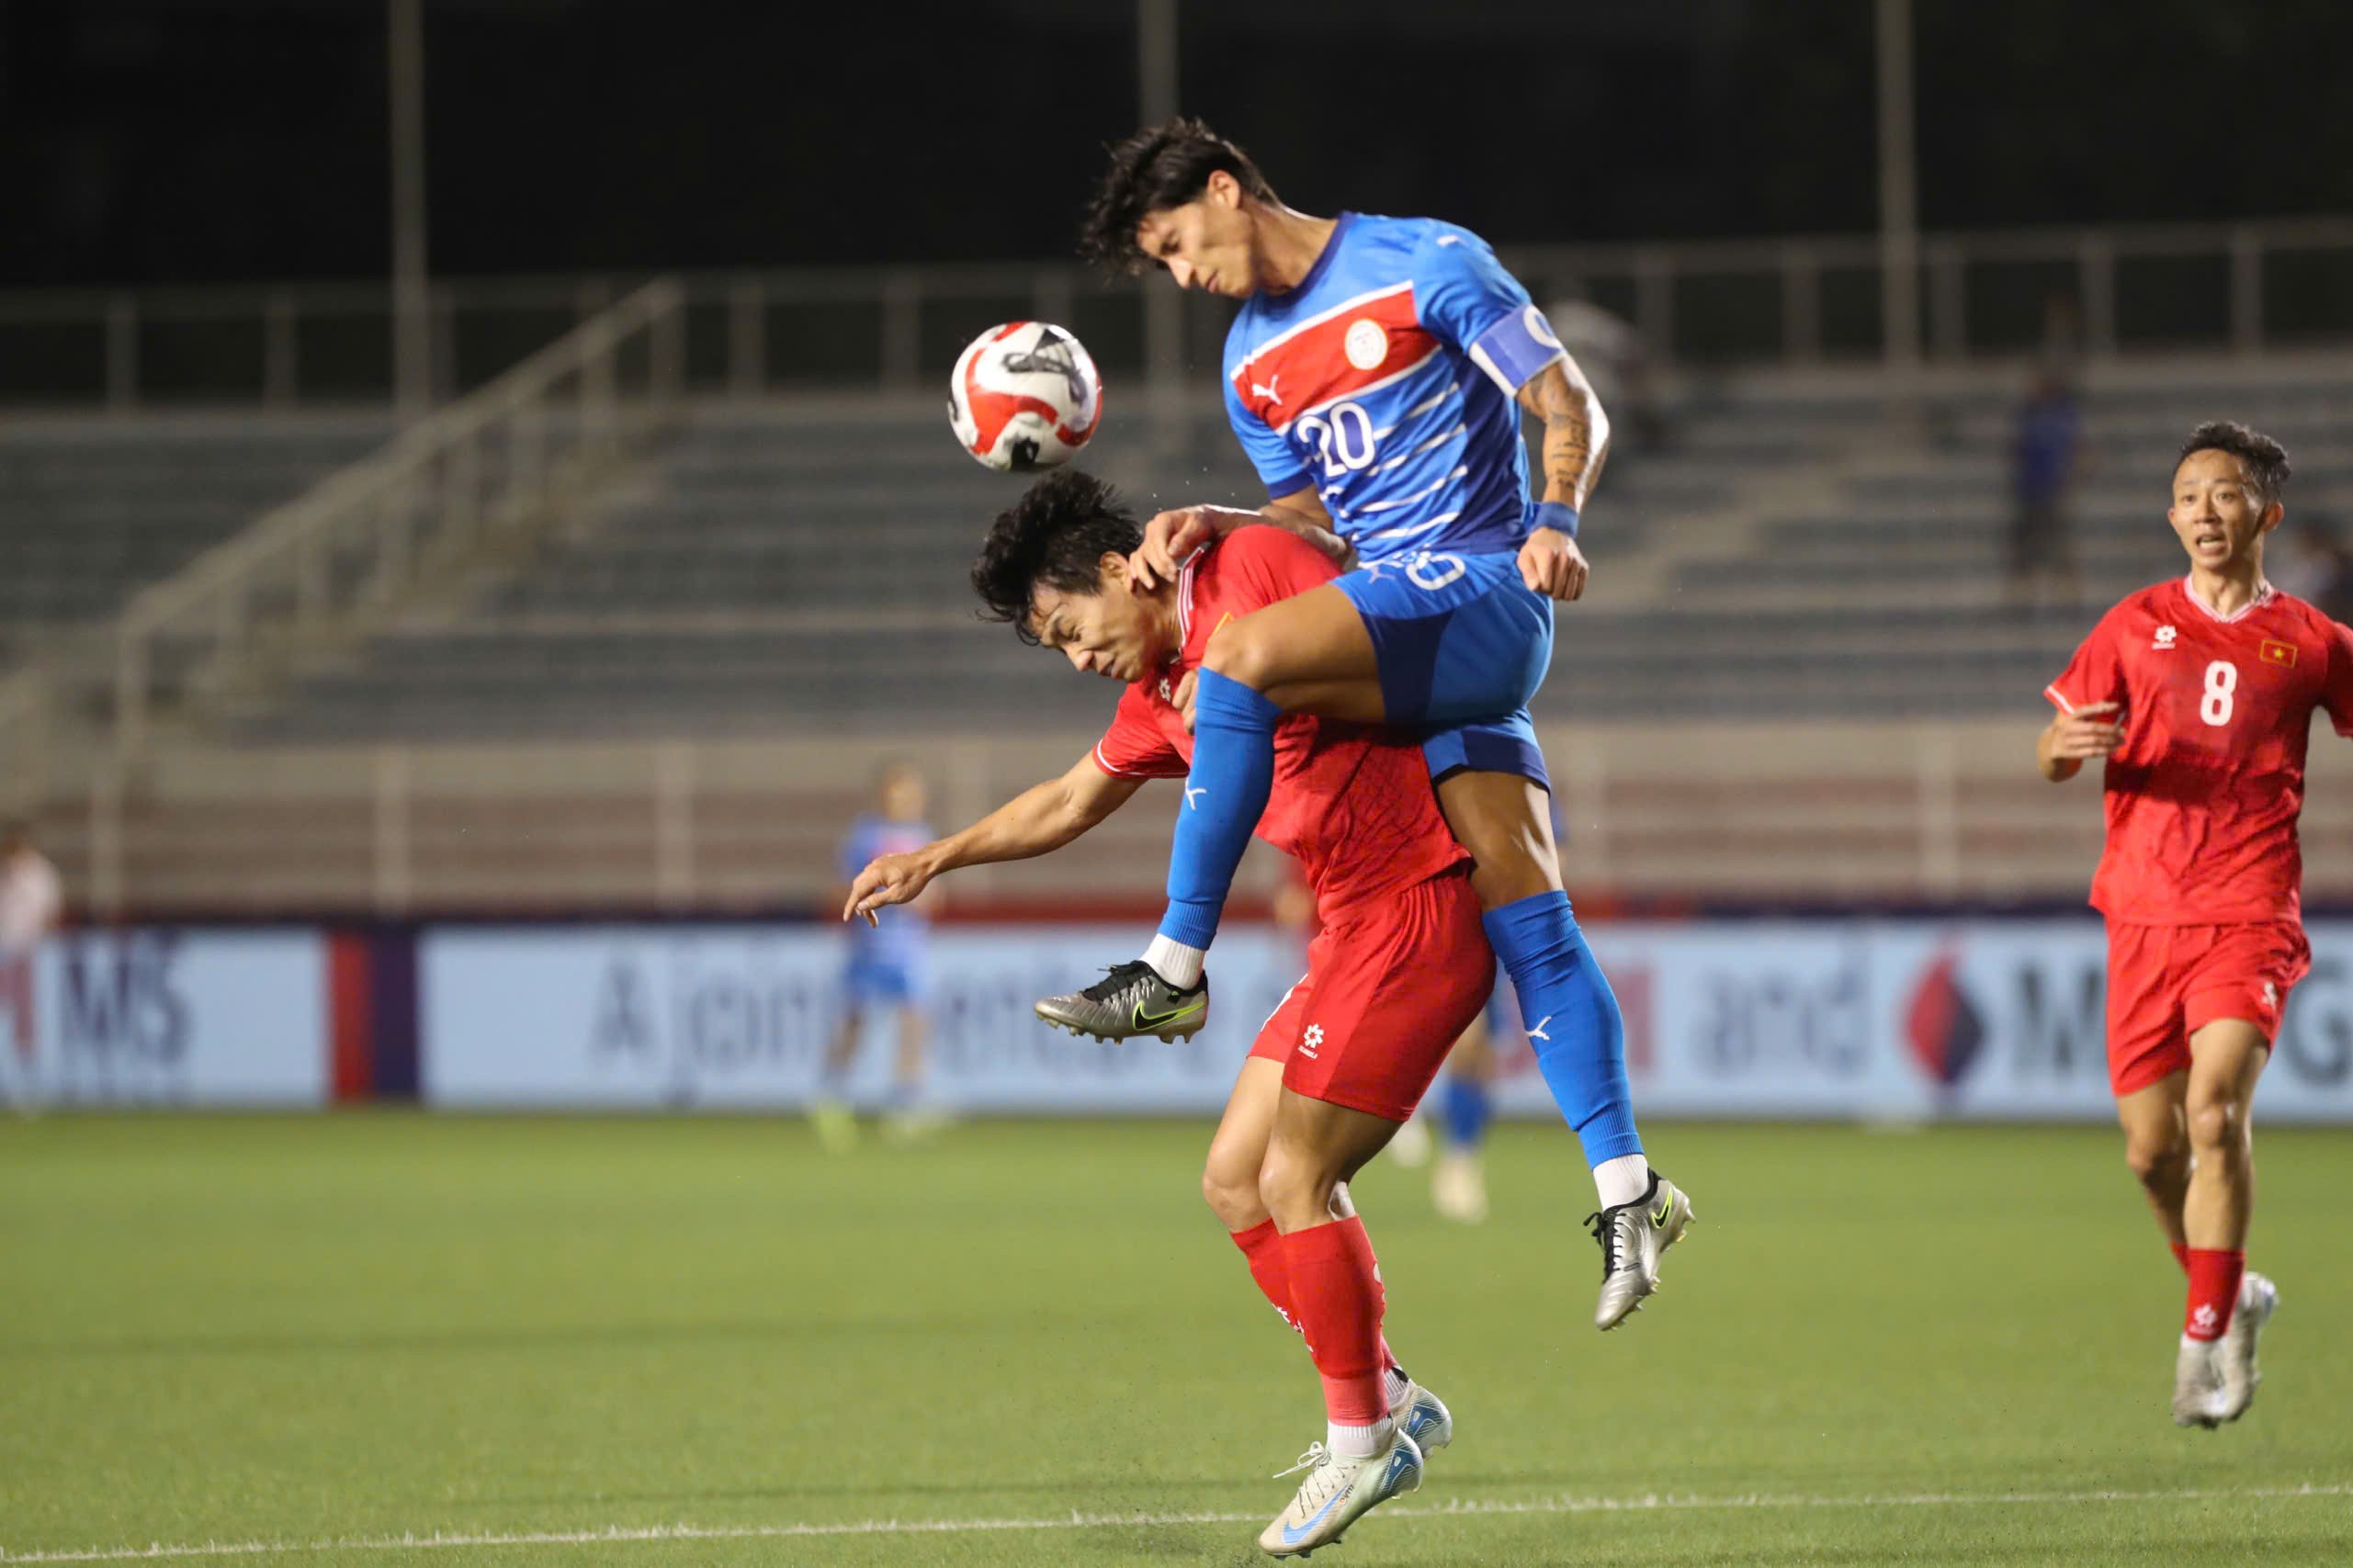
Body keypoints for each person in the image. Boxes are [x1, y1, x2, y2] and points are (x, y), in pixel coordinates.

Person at [1059, 118, 1689, 1329]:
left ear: (1229, 191)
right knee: (1525, 907)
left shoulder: (1424, 263)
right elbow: (1324, 521)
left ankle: (1174, 964)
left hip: (1484, 588)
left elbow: (1569, 401)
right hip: (1401, 629)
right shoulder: (1249, 366)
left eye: (1180, 244)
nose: (1182, 276)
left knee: (1235, 659)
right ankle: (1629, 1185)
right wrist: (1224, 512)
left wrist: (1555, 516)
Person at [845, 471, 1489, 1556]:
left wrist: (1243, 562)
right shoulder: (1156, 694)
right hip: (1347, 930)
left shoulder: (1246, 578)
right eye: (1051, 649)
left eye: (1068, 626)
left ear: (1116, 570)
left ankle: (1358, 1443)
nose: (1074, 654)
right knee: (1234, 1178)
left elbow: (1364, 565)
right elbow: (1064, 801)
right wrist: (934, 858)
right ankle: (1382, 1392)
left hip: (1421, 896)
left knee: (1296, 1176)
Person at [2037, 420, 2353, 1428]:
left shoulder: (2310, 641)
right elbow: (2052, 749)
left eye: (2221, 495)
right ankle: (2225, 1289)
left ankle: (2202, 1343)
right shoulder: (2130, 624)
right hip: (2138, 914)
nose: (2201, 513)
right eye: (2185, 497)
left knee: (2215, 1114)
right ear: (2169, 516)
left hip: (2247, 911)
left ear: (2264, 511)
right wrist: (2059, 744)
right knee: (2149, 1155)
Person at [810, 763, 940, 1148]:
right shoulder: (865, 837)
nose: (907, 801)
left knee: (914, 1022)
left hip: (909, 947)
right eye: (900, 793)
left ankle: (905, 1104)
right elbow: (841, 890)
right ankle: (832, 1098)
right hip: (871, 943)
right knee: (856, 1021)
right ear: (884, 796)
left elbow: (932, 896)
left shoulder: (923, 837)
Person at [2009, 369, 2084, 609]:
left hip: (2049, 491)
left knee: (2056, 546)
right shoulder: (2030, 415)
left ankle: (2067, 595)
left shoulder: (2059, 417)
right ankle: (2023, 596)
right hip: (2031, 491)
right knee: (2027, 547)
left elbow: (2071, 452)